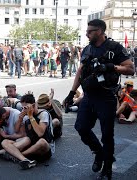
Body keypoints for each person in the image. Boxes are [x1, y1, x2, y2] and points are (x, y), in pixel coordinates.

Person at [64, 19, 134, 179]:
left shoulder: (114, 48)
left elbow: (130, 68)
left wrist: (111, 66)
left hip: (106, 97)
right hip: (88, 96)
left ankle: (107, 169)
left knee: (107, 134)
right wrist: (71, 92)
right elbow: (80, 71)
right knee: (81, 128)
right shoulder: (87, 49)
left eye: (90, 31)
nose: (87, 34)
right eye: (87, 31)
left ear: (100, 31)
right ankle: (99, 153)